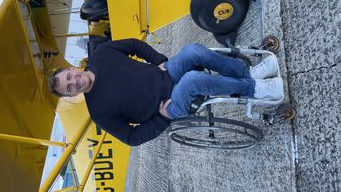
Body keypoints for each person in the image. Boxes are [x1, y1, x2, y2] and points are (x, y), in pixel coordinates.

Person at [48, 38, 281, 146]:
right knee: (191, 80)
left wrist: (158, 60)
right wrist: (162, 118)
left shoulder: (101, 54)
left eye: (69, 77)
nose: (74, 82)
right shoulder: (98, 112)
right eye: (69, 88)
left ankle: (248, 73)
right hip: (170, 106)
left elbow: (134, 45)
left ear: (72, 68)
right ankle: (256, 89)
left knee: (192, 51)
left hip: (164, 73)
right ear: (70, 95)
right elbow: (131, 138)